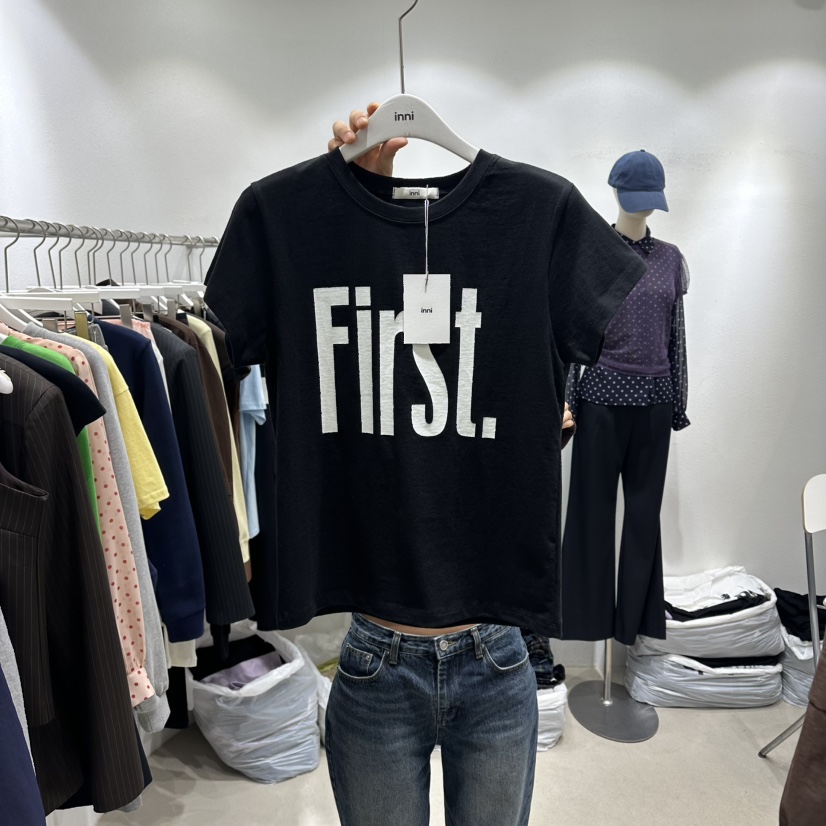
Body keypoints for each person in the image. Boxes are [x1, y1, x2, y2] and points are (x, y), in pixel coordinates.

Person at [322, 103, 575, 826]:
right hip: (374, 657)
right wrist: (347, 199)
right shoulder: (300, 222)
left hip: (498, 653)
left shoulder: (543, 215)